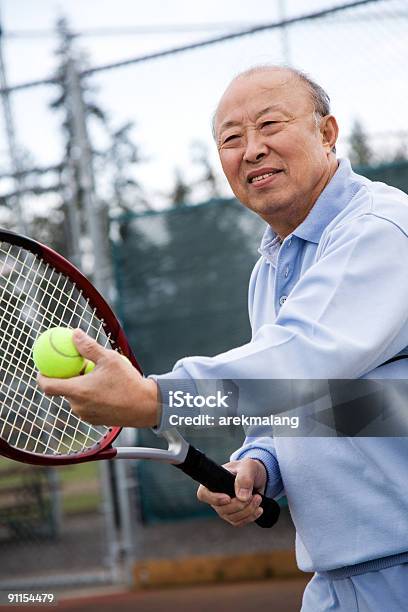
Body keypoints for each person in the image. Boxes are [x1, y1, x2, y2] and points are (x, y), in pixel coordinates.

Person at [38, 66, 408, 611]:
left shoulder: (379, 229)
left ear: (327, 133)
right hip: (341, 578)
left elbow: (301, 363)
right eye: (231, 138)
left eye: (270, 125)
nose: (251, 149)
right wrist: (261, 464)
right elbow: (331, 403)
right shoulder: (271, 270)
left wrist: (156, 398)